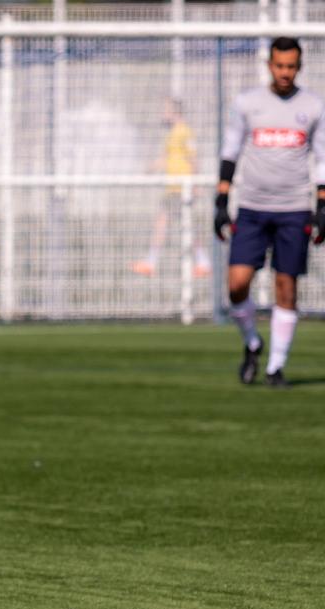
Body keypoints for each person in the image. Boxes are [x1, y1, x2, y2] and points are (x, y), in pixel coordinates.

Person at [215, 37, 325, 387]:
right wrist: (221, 201)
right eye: (280, 66)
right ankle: (252, 341)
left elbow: (322, 158)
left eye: (291, 66)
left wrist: (322, 204)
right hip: (252, 208)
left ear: (299, 66)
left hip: (294, 209)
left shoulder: (314, 106)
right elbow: (230, 151)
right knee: (237, 285)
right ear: (269, 65)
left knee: (285, 286)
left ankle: (275, 367)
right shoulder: (248, 103)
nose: (285, 72)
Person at [131, 97, 211, 278]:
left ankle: (152, 262)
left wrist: (195, 182)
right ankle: (202, 262)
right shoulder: (172, 133)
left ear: (174, 111)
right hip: (174, 188)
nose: (162, 113)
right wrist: (147, 170)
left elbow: (193, 158)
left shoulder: (184, 131)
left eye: (166, 109)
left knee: (166, 222)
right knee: (185, 225)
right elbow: (166, 158)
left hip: (182, 188)